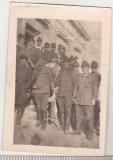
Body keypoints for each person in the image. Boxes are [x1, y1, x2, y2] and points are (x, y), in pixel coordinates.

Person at [72, 61, 98, 140]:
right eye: (83, 68)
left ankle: (89, 134)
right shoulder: (79, 77)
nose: (84, 69)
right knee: (78, 116)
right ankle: (78, 130)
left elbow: (95, 90)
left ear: (88, 68)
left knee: (89, 117)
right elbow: (76, 88)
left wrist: (94, 99)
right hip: (78, 100)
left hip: (88, 101)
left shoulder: (93, 78)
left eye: (86, 68)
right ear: (81, 69)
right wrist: (74, 97)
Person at [28, 56, 54, 130]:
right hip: (37, 91)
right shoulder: (35, 70)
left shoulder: (48, 69)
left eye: (42, 60)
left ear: (44, 61)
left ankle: (44, 124)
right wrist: (32, 85)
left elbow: (51, 80)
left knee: (43, 107)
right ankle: (39, 121)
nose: (40, 62)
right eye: (39, 60)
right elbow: (32, 80)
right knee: (38, 107)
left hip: (45, 91)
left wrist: (53, 88)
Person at [55, 58, 77, 135]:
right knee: (61, 111)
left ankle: (66, 128)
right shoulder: (61, 71)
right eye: (64, 63)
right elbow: (57, 81)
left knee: (68, 111)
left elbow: (75, 85)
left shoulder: (72, 72)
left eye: (67, 63)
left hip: (68, 95)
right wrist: (56, 88)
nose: (66, 64)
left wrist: (73, 96)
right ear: (63, 64)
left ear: (69, 64)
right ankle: (62, 125)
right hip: (60, 94)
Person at [15, 55, 31, 125]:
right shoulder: (15, 68)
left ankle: (18, 119)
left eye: (25, 61)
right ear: (20, 61)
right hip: (15, 86)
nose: (23, 62)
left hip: (23, 88)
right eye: (22, 61)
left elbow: (29, 81)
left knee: (21, 104)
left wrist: (27, 89)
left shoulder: (27, 70)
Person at [91, 61, 101, 135]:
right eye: (92, 67)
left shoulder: (100, 76)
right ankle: (90, 127)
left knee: (96, 113)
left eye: (95, 67)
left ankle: (94, 126)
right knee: (89, 112)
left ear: (97, 68)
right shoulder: (89, 75)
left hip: (97, 97)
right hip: (89, 97)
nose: (94, 69)